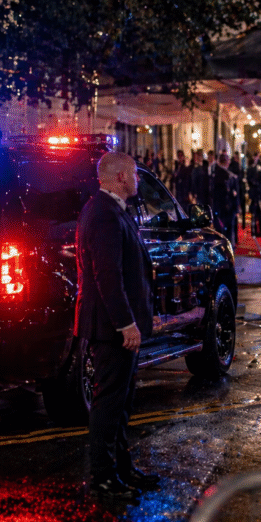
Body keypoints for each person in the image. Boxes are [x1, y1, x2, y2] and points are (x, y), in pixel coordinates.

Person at [75, 152, 159, 501]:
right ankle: (104, 477)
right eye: (136, 175)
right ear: (121, 177)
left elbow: (131, 269)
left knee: (122, 402)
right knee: (108, 403)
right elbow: (107, 276)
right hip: (111, 328)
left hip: (120, 326)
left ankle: (122, 468)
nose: (138, 180)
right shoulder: (103, 214)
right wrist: (126, 323)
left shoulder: (113, 211)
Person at [212, 152, 240, 242]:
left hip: (222, 207)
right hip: (226, 207)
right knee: (226, 230)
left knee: (221, 230)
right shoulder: (227, 176)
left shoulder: (218, 175)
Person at [246, 153, 261, 237]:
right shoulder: (250, 168)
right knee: (254, 213)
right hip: (254, 193)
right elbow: (249, 179)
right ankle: (254, 230)